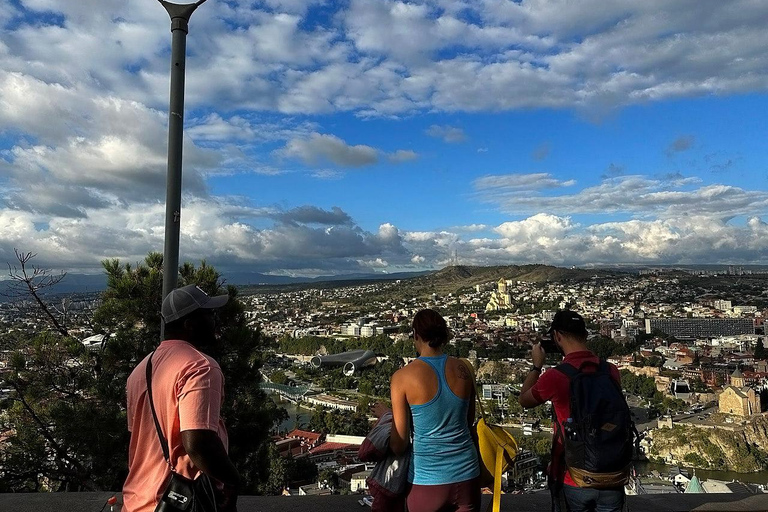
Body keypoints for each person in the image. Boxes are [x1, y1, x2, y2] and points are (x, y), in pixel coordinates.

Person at [123, 284, 240, 512]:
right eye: (209, 314)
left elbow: (140, 439)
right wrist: (232, 482)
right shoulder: (200, 367)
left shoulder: (139, 371)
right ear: (190, 324)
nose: (215, 320)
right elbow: (198, 442)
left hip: (138, 500)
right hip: (178, 502)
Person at [518, 310, 625, 512]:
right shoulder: (611, 371)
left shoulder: (556, 376)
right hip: (612, 474)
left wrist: (536, 366)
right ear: (585, 336)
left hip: (573, 476)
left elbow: (524, 400)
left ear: (557, 336)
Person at [388, 308, 481, 512]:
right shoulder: (464, 369)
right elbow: (468, 422)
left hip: (427, 479)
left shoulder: (402, 378)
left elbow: (399, 444)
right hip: (468, 475)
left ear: (416, 335)